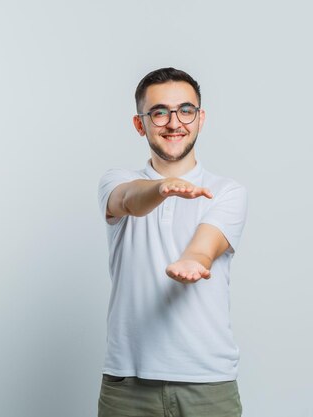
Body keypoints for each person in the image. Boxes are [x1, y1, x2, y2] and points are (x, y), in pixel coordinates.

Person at [97, 67, 248, 417]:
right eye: (159, 112)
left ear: (200, 118)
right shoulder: (117, 179)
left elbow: (206, 245)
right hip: (128, 384)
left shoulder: (228, 191)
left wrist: (194, 260)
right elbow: (128, 199)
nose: (174, 122)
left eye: (186, 110)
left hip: (208, 384)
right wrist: (162, 188)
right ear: (141, 124)